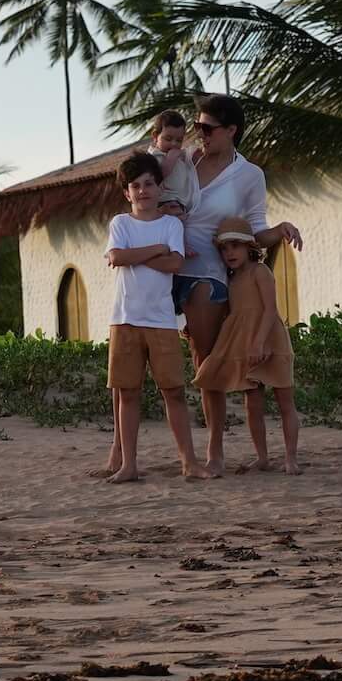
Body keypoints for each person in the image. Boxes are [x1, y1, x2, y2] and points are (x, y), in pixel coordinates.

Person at [176, 92, 303, 471]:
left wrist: (279, 230)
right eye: (197, 126)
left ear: (232, 130)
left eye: (207, 128)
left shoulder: (248, 175)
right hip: (168, 269)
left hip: (211, 273)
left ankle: (214, 450)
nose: (200, 134)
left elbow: (255, 230)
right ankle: (121, 454)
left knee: (206, 360)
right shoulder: (184, 162)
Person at [97, 150, 211, 484]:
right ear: (126, 193)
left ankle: (188, 462)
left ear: (160, 188)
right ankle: (129, 465)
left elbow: (176, 264)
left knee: (173, 391)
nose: (143, 190)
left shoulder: (171, 224)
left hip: (161, 320)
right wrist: (156, 250)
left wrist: (138, 257)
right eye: (136, 185)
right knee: (127, 392)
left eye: (149, 183)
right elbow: (116, 256)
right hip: (125, 319)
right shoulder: (120, 223)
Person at [192, 217, 301, 474]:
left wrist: (260, 342)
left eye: (235, 246)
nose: (230, 253)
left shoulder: (260, 271)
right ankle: (262, 457)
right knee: (252, 402)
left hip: (268, 339)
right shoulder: (230, 279)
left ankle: (291, 458)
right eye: (224, 248)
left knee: (285, 400)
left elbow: (269, 309)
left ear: (249, 247)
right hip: (243, 342)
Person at [145, 109, 198, 218]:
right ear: (155, 136)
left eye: (179, 140)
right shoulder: (153, 157)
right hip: (165, 205)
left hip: (181, 206)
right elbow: (156, 178)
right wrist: (169, 161)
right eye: (168, 139)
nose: (174, 144)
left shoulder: (180, 155)